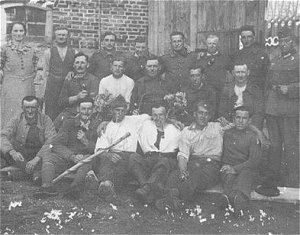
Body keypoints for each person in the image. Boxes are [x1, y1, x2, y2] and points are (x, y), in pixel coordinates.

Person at [155, 101, 232, 211]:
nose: (203, 116)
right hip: (193, 162)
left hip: (212, 165)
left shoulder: (218, 127)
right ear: (195, 114)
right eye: (200, 113)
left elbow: (241, 125)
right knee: (175, 175)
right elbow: (183, 155)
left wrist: (228, 123)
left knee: (195, 177)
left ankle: (172, 200)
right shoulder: (187, 131)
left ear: (210, 116)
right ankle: (172, 199)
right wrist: (183, 171)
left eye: (206, 113)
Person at [256, 28, 299, 196]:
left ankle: (293, 182)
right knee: (274, 147)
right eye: (281, 41)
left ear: (293, 42)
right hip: (273, 109)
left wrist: (290, 88)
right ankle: (272, 180)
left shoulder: (298, 60)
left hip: (290, 111)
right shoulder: (275, 59)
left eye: (287, 41)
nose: (283, 44)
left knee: (291, 147)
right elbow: (267, 83)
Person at [34, 97, 102, 199]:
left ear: (93, 110)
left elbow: (100, 149)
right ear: (78, 109)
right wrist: (72, 156)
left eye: (89, 109)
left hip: (86, 161)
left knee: (89, 159)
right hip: (68, 159)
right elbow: (56, 144)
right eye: (83, 109)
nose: (86, 112)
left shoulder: (98, 125)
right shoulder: (69, 123)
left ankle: (74, 188)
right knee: (48, 155)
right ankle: (47, 186)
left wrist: (86, 142)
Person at [92, 95, 150, 203]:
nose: (120, 113)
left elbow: (149, 117)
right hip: (115, 157)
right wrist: (108, 154)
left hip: (130, 158)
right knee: (106, 159)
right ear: (111, 110)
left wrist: (171, 120)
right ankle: (106, 185)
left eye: (123, 111)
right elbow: (99, 149)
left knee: (133, 159)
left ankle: (145, 189)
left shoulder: (133, 120)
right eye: (117, 110)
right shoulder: (107, 127)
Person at [131, 103, 181, 204]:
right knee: (133, 158)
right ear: (151, 115)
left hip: (166, 160)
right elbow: (126, 119)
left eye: (161, 115)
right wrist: (106, 122)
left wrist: (172, 121)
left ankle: (146, 189)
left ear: (166, 116)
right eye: (155, 115)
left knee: (164, 162)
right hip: (150, 159)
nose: (158, 118)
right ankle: (148, 188)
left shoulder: (174, 129)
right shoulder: (145, 124)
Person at [0, 96, 56, 183]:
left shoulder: (45, 120)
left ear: (38, 108)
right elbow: (2, 135)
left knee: (50, 154)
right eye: (27, 107)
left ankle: (20, 172)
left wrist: (36, 159)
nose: (30, 111)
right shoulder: (17, 119)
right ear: (22, 108)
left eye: (33, 107)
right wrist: (12, 152)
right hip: (21, 154)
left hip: (39, 154)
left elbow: (51, 140)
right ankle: (34, 173)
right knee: (3, 148)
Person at [220, 106, 261, 212]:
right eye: (238, 117)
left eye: (244, 118)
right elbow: (224, 155)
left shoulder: (252, 136)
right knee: (228, 177)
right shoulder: (227, 134)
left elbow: (254, 161)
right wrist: (227, 166)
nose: (240, 121)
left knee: (244, 176)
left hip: (246, 168)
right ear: (233, 119)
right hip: (229, 167)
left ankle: (239, 201)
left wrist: (236, 169)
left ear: (249, 121)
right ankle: (227, 201)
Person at [0, 22, 39, 128]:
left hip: (27, 87)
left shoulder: (31, 50)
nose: (18, 33)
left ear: (25, 33)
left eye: (21, 31)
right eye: (15, 31)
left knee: (27, 112)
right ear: (11, 33)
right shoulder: (4, 49)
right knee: (10, 115)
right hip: (10, 88)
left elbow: (35, 69)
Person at [54, 52, 99, 131]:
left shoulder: (93, 80)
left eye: (82, 63)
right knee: (55, 127)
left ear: (87, 65)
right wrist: (76, 97)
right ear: (73, 65)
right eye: (77, 63)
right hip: (70, 113)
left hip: (87, 113)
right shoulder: (69, 79)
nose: (79, 66)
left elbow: (95, 101)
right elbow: (61, 101)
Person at [43, 27, 76, 121]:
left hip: (67, 86)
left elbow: (76, 69)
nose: (61, 37)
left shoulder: (74, 52)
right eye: (59, 35)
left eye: (64, 35)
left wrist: (72, 72)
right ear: (55, 37)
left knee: (66, 111)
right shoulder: (48, 52)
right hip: (52, 87)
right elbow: (46, 71)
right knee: (51, 112)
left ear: (67, 37)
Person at [218, 63, 264, 130]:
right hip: (230, 125)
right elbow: (222, 111)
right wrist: (227, 122)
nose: (240, 75)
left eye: (243, 72)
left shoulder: (255, 90)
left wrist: (248, 125)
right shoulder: (227, 90)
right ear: (233, 73)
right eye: (237, 72)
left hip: (249, 126)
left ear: (248, 73)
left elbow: (259, 113)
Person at [196, 35, 232, 108]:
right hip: (205, 91)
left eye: (214, 44)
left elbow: (232, 73)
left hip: (220, 91)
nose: (211, 46)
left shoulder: (224, 58)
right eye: (209, 43)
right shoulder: (201, 58)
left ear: (217, 45)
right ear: (206, 45)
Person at [232, 25, 270, 89]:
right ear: (241, 39)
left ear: (253, 38)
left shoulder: (262, 55)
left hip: (257, 92)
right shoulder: (236, 55)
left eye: (249, 37)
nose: (246, 40)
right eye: (244, 37)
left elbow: (267, 77)